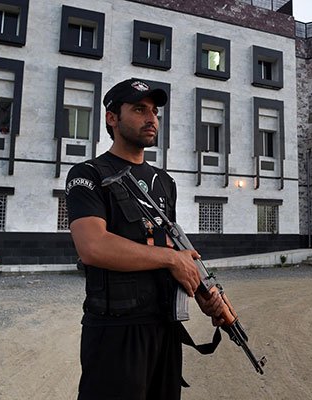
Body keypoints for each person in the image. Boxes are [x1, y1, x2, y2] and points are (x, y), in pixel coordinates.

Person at [65, 78, 226, 400]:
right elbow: (93, 247)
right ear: (112, 117)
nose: (151, 118)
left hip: (164, 324)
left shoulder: (163, 181)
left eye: (154, 111)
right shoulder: (88, 174)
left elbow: (174, 246)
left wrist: (206, 292)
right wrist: (171, 259)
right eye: (139, 109)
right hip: (116, 329)